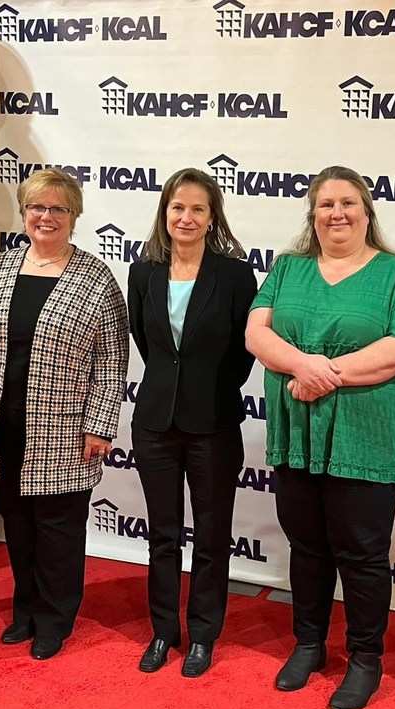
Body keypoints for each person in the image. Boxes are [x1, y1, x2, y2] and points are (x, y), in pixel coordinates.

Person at [246, 165, 395, 709]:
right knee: (306, 547)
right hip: (297, 434)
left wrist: (322, 375)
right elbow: (257, 332)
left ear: (367, 211)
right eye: (325, 204)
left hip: (365, 437)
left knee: (363, 554)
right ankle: (308, 644)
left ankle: (364, 659)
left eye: (348, 202)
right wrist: (303, 365)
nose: (337, 213)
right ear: (312, 214)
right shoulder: (288, 268)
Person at [0, 169, 128, 661]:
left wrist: (99, 425)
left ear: (74, 216)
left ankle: (55, 618)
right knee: (19, 527)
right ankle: (24, 611)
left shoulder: (95, 278)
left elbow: (112, 359)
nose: (46, 216)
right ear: (24, 212)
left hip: (66, 431)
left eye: (58, 208)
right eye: (37, 207)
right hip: (1, 425)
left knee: (58, 532)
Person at [127, 168, 257, 678]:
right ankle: (163, 632)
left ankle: (203, 635)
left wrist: (208, 389)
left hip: (214, 423)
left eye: (197, 209)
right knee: (162, 534)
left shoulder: (234, 275)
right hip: (155, 422)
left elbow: (244, 351)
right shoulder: (144, 272)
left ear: (212, 217)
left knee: (210, 535)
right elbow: (146, 340)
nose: (186, 217)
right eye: (177, 207)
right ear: (165, 213)